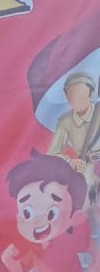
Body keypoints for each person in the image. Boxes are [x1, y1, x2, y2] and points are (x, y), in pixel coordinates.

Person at [1, 150, 100, 272]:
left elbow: (88, 245)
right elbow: (20, 269)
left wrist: (96, 259)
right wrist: (7, 260)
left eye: (52, 212)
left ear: (73, 215)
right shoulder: (33, 248)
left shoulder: (69, 237)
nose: (38, 220)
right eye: (27, 213)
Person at [48, 71, 100, 204]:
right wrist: (71, 162)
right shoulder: (65, 122)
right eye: (72, 96)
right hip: (86, 177)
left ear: (91, 94)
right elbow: (52, 154)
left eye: (81, 95)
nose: (76, 100)